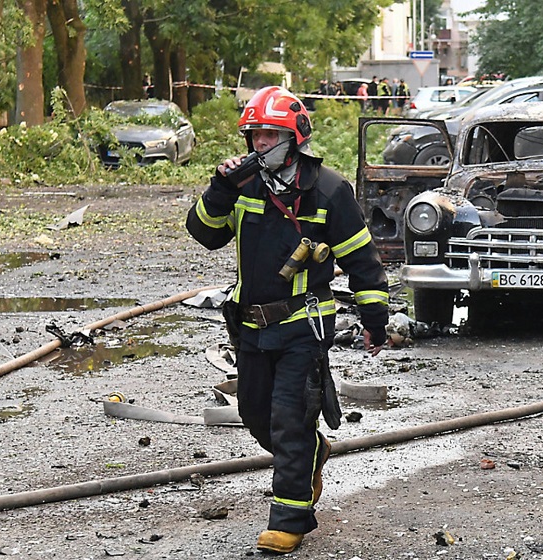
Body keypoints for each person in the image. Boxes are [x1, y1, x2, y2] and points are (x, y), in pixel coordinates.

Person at [185, 86, 390, 554]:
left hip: (304, 326)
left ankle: (289, 519)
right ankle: (313, 456)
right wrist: (217, 192)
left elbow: (362, 260)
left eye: (269, 135)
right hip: (251, 325)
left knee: (290, 420)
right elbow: (204, 235)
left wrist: (375, 320)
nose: (259, 144)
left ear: (294, 137)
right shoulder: (241, 187)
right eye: (253, 135)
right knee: (256, 415)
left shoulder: (330, 191)